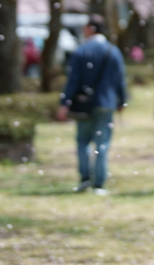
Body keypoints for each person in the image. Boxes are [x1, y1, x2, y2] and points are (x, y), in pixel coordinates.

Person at [57, 15, 127, 196]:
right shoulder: (113, 51)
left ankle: (84, 177)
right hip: (106, 103)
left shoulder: (81, 51)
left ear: (92, 28)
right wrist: (122, 100)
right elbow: (120, 79)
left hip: (84, 104)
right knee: (102, 143)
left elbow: (73, 80)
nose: (83, 30)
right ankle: (99, 183)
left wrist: (65, 103)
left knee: (83, 141)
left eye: (85, 27)